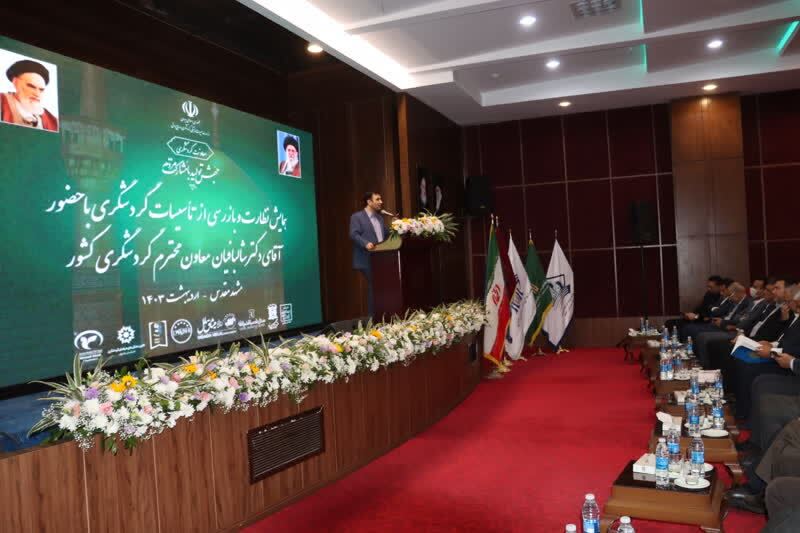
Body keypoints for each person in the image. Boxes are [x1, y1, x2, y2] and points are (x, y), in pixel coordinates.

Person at [349, 192, 390, 318]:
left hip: (380, 258)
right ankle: (373, 318)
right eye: (377, 199)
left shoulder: (380, 218)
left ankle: (382, 316)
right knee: (376, 284)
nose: (381, 202)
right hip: (366, 257)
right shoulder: (357, 217)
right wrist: (365, 243)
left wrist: (397, 227)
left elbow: (386, 236)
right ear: (369, 202)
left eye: (381, 199)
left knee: (380, 286)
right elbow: (353, 234)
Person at [0, 59, 58, 131]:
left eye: (41, 90)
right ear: (15, 83)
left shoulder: (52, 120)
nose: (37, 94)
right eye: (31, 87)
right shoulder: (2, 102)